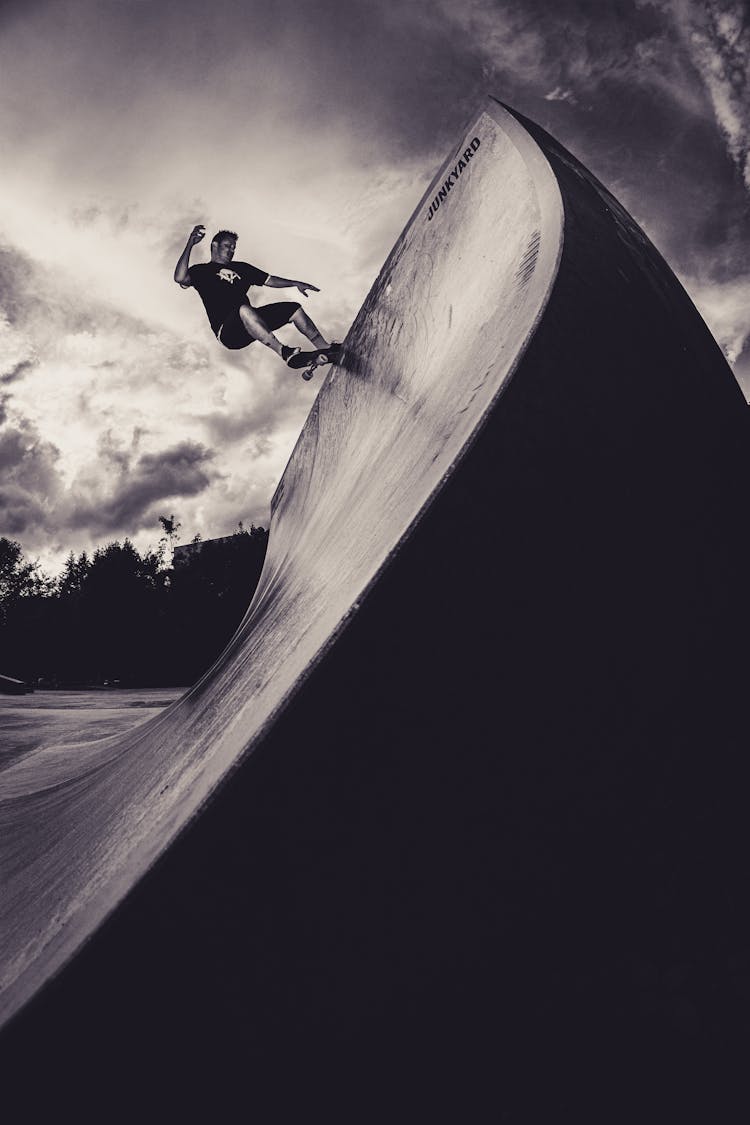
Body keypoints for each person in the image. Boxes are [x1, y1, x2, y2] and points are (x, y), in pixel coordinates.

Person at [174, 225, 339, 370]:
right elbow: (180, 278)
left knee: (294, 309)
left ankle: (325, 349)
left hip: (252, 322)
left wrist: (295, 283)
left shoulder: (241, 268)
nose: (231, 250)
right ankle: (285, 353)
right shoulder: (200, 271)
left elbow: (270, 280)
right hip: (228, 332)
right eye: (227, 246)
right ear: (214, 246)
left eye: (233, 247)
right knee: (244, 309)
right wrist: (190, 243)